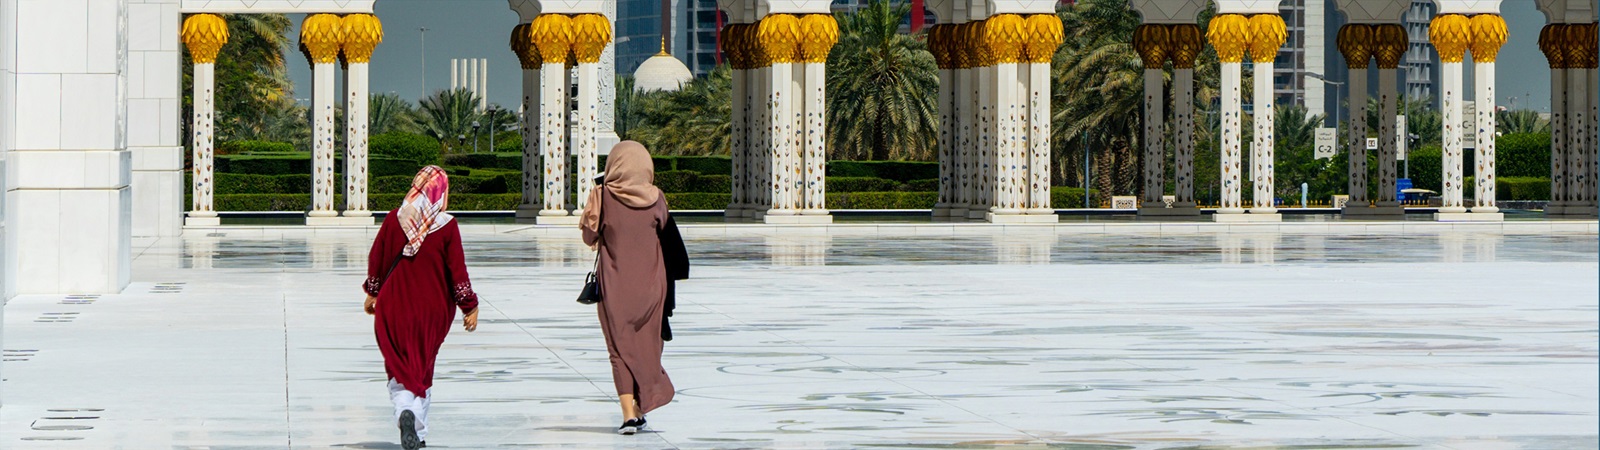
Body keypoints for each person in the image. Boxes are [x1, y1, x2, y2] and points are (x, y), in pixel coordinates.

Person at [363, 165, 480, 450]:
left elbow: (377, 258)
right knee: (423, 365)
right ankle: (419, 429)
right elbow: (457, 271)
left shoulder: (394, 220)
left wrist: (372, 293)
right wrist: (469, 306)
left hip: (393, 307)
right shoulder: (447, 226)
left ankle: (406, 410)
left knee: (398, 365)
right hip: (432, 309)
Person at [580, 141, 676, 435]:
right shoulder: (656, 197)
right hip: (652, 288)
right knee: (647, 346)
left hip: (615, 287)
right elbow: (666, 232)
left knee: (618, 348)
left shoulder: (603, 195)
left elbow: (588, 237)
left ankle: (629, 415)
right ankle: (641, 405)